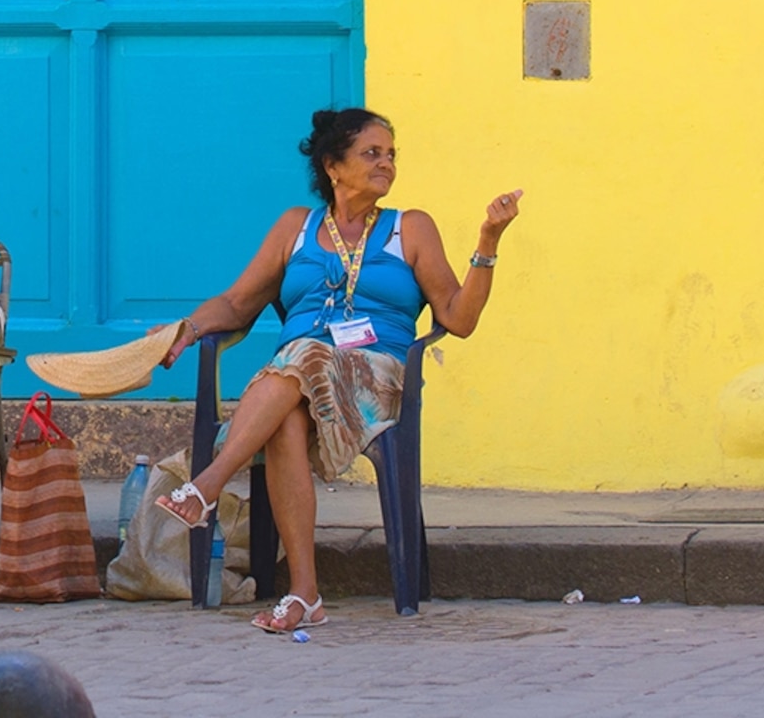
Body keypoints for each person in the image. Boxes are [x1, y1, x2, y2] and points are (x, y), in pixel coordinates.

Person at [153, 107, 522, 635]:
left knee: (302, 355)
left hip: (373, 376)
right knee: (289, 407)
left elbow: (459, 320)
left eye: (391, 155)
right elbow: (237, 304)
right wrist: (185, 329)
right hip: (299, 379)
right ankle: (304, 595)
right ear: (333, 165)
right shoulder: (294, 229)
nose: (386, 164)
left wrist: (488, 241)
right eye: (372, 154)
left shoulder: (409, 228)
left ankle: (208, 483)